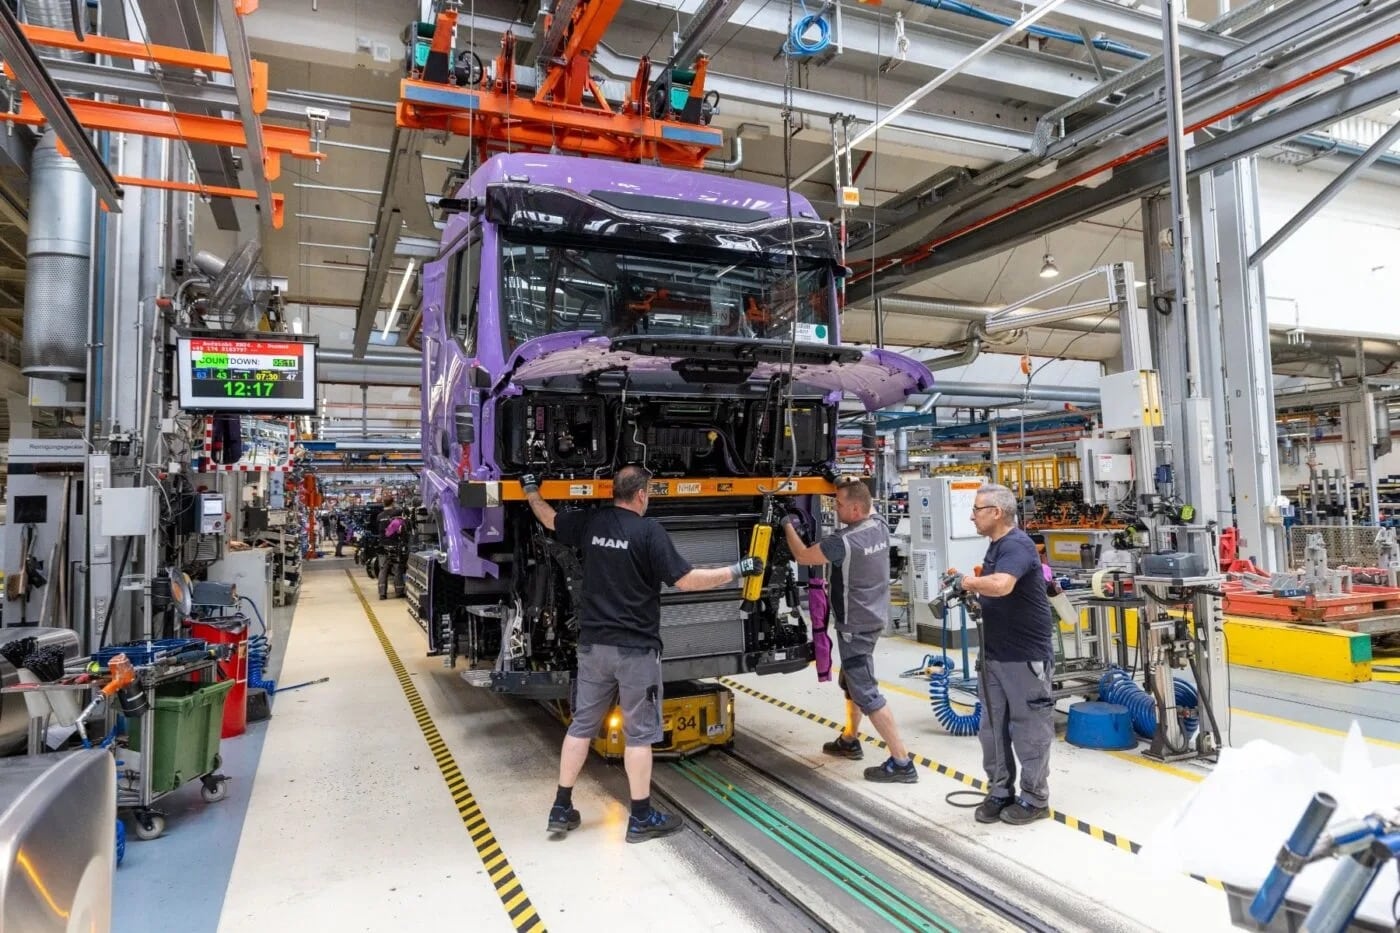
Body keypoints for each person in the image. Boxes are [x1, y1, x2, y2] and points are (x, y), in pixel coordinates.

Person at [522, 465, 764, 843]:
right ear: (640, 495)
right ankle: (640, 817)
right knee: (638, 736)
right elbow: (686, 581)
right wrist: (739, 569)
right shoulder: (649, 532)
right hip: (635, 650)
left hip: (594, 647)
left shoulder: (593, 523)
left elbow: (550, 519)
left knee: (581, 726)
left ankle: (561, 807)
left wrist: (530, 490)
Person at [780, 476, 917, 784]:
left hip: (855, 625)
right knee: (852, 682)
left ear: (856, 509)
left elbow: (802, 556)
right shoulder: (879, 525)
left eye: (839, 504)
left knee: (866, 693)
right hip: (874, 616)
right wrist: (841, 482)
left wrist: (786, 522)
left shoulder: (843, 542)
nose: (835, 509)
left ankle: (902, 761)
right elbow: (864, 495)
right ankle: (850, 740)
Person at [957, 483, 1055, 826]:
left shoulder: (1016, 544)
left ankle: (1035, 798)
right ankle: (1000, 791)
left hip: (1023, 655)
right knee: (992, 728)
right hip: (994, 653)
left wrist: (968, 582)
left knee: (1029, 728)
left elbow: (1001, 585)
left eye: (977, 509)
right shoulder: (996, 546)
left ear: (996, 512)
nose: (972, 516)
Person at [376, 496, 407, 599]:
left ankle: (382, 594)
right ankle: (399, 592)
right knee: (397, 568)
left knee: (383, 569)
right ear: (393, 503)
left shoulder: (379, 516)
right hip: (395, 545)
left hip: (382, 545)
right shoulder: (397, 513)